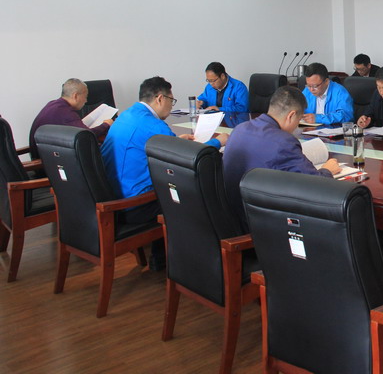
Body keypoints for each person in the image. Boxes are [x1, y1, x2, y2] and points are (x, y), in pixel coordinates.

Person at [101, 76, 228, 270]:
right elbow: (187, 160)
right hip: (135, 205)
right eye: (171, 100)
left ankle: (161, 257)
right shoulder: (155, 126)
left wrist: (177, 141)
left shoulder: (127, 115)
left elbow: (158, 146)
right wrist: (218, 142)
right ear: (160, 98)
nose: (171, 105)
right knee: (194, 194)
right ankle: (193, 263)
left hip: (113, 194)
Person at [223, 86, 341, 231]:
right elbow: (315, 185)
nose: (297, 126)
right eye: (299, 120)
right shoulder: (283, 141)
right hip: (261, 225)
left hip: (232, 216)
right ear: (291, 116)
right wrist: (327, 171)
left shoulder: (239, 129)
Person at [28, 78, 114, 158]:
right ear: (75, 96)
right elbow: (87, 136)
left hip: (46, 154)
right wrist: (106, 124)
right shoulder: (66, 112)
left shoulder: (53, 104)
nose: (86, 100)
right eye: (85, 96)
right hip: (49, 161)